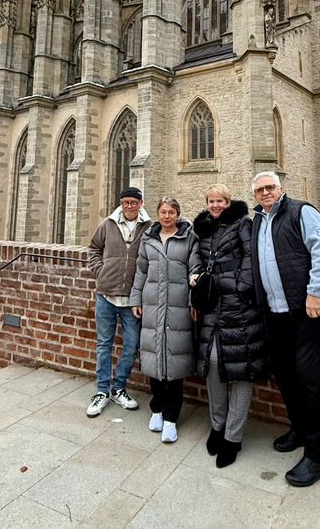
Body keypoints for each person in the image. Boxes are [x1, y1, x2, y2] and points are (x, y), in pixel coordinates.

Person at [250, 171, 320, 487]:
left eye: (270, 187)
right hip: (277, 313)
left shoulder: (301, 210)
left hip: (309, 310)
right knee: (285, 373)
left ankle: (316, 457)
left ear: (280, 188)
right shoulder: (258, 221)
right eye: (259, 190)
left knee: (312, 380)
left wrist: (316, 292)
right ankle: (299, 430)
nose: (265, 192)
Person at [192, 184, 268, 468]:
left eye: (220, 201)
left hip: (240, 306)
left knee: (242, 370)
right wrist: (196, 277)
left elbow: (251, 258)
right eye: (211, 201)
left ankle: (233, 438)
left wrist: (239, 287)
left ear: (228, 201)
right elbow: (196, 259)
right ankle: (218, 425)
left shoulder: (242, 223)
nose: (215, 205)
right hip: (212, 303)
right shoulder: (203, 228)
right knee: (212, 364)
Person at [129, 196, 202, 443]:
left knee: (174, 364)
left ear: (178, 214)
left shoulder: (189, 238)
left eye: (171, 212)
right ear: (158, 214)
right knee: (154, 360)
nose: (167, 216)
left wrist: (193, 301)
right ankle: (157, 409)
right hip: (152, 307)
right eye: (163, 212)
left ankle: (171, 418)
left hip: (178, 308)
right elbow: (141, 270)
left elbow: (195, 271)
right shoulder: (148, 239)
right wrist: (136, 299)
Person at [86, 187, 151, 417]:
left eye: (133, 202)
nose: (129, 206)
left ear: (140, 203)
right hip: (106, 295)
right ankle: (102, 390)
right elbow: (94, 249)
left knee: (131, 346)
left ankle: (119, 388)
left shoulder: (149, 227)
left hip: (132, 299)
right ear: (121, 203)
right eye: (125, 202)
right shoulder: (108, 224)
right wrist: (100, 272)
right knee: (104, 344)